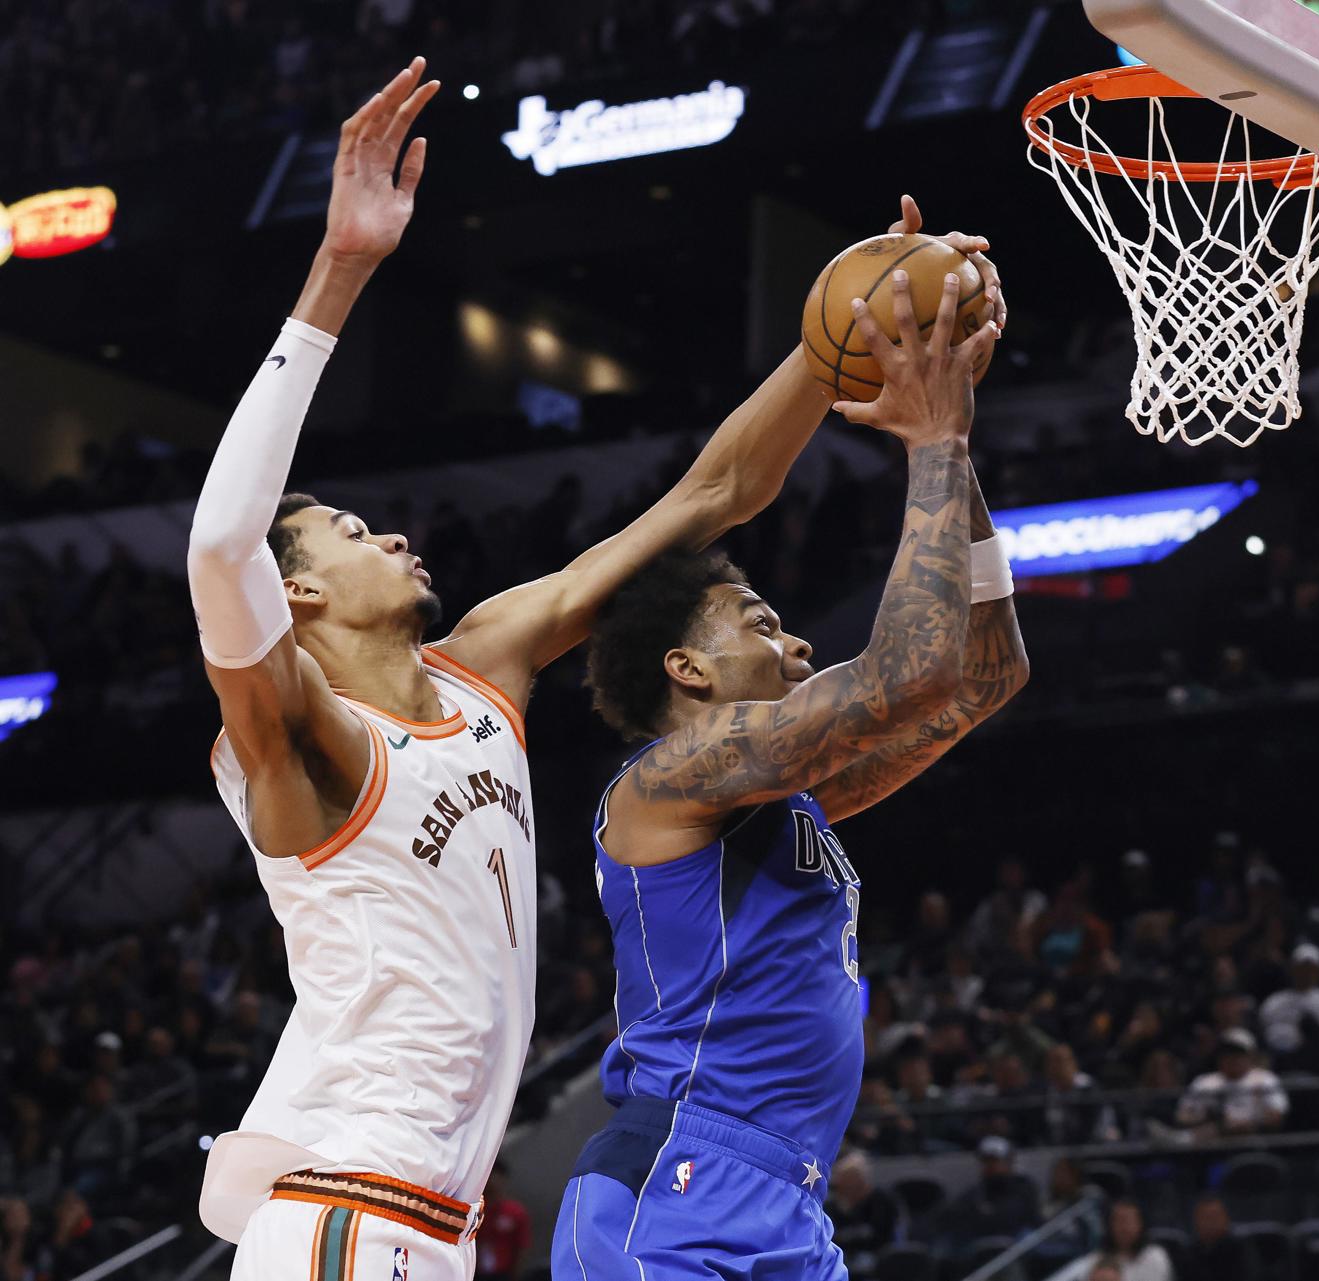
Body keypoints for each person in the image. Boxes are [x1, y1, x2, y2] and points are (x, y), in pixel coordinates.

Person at [185, 58, 898, 1281]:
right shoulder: (300, 738)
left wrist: (830, 351)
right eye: (353, 536)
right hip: (353, 1209)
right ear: (295, 592)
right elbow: (216, 543)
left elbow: (713, 495)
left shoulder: (486, 668)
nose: (394, 536)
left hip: (424, 1225)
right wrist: (342, 272)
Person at [553, 258, 1014, 1280]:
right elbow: (910, 670)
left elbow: (984, 675)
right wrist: (930, 439)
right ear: (685, 668)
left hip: (792, 1201)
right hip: (673, 1185)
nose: (799, 646)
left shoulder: (779, 801)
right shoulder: (663, 784)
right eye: (763, 625)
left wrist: (959, 444)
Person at [1176, 1028, 1290, 1136]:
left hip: (1252, 1140)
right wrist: (1207, 1119)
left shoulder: (1265, 1079)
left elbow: (1277, 1116)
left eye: (1237, 1053)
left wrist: (1248, 1124)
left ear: (1251, 1055)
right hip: (1208, 1141)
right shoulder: (1204, 1082)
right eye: (1227, 1053)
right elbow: (1182, 1116)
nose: (1231, 1058)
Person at [1258, 943, 1319, 1069]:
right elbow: (1263, 1032)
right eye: (1302, 968)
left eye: (1312, 969)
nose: (1307, 973)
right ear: (1292, 969)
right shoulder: (1274, 1001)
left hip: (1316, 1059)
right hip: (1280, 1060)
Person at [823, 1152, 902, 1281]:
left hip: (878, 1256)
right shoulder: (832, 1205)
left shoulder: (881, 1200)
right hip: (844, 1258)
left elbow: (881, 1235)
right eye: (843, 1181)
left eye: (851, 1181)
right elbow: (831, 1239)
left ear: (861, 1181)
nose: (846, 1186)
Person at [1069, 1200, 1175, 1281]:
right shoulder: (1095, 1259)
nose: (1124, 1227)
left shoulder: (1155, 1256)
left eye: (1129, 1221)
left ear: (1141, 1224)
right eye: (1118, 1220)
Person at [475, 1166, 532, 1281]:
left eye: (495, 1178)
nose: (491, 1182)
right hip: (474, 1270)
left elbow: (522, 1246)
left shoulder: (514, 1212)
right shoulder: (474, 1210)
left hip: (503, 1273)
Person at [1191, 1194, 1256, 1281]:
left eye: (1215, 1216)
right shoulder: (1190, 1252)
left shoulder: (1240, 1250)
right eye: (1206, 1217)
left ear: (1226, 1219)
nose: (1211, 1222)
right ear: (1196, 1221)